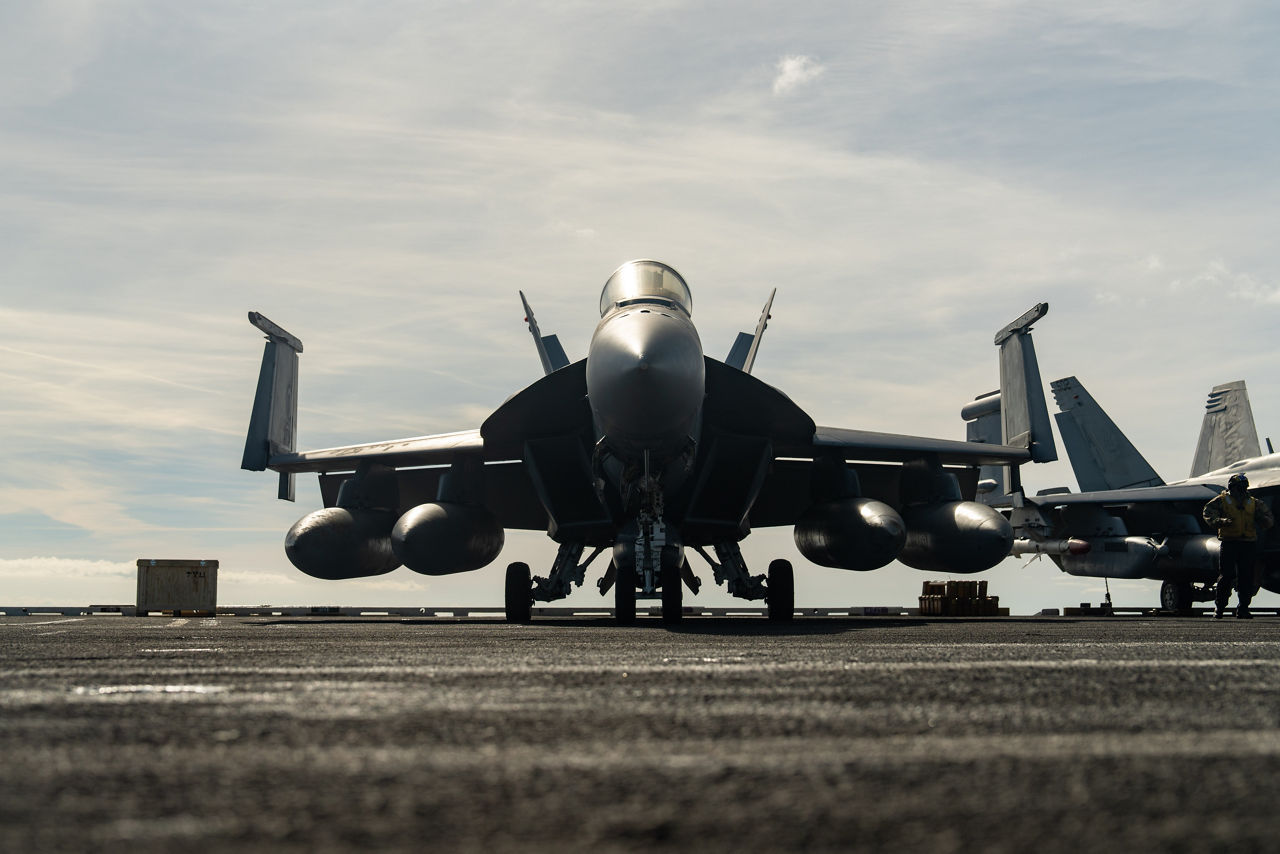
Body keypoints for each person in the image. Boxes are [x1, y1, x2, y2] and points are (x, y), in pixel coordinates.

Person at [1203, 473, 1274, 619]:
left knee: (1246, 577)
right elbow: (1208, 513)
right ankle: (1220, 607)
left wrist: (1263, 520)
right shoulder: (1222, 501)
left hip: (1248, 543)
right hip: (1229, 543)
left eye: (1243, 487)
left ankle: (1243, 608)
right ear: (1232, 487)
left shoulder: (1254, 503)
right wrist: (1220, 521)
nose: (1241, 490)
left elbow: (1269, 519)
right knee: (1226, 576)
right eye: (1238, 487)